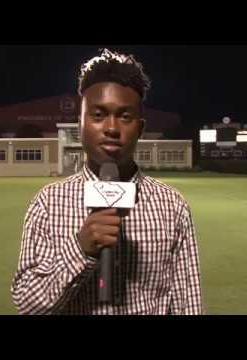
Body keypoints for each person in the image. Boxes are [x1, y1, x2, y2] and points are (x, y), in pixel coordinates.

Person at [11, 48, 203, 315]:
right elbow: (27, 305)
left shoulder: (173, 206)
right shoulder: (47, 203)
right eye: (98, 115)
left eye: (125, 117)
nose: (112, 128)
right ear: (80, 125)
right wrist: (81, 250)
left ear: (140, 128)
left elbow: (188, 305)